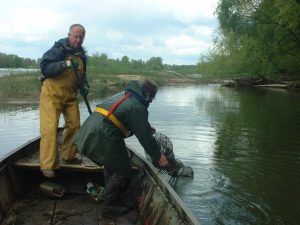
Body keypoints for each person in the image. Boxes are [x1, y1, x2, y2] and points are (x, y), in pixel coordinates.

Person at [72, 79, 168, 217]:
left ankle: (111, 197)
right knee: (123, 170)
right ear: (147, 95)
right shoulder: (137, 106)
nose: (152, 101)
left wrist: (145, 128)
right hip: (103, 134)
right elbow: (145, 139)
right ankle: (108, 207)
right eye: (152, 97)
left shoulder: (124, 94)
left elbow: (125, 117)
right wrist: (158, 155)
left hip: (91, 129)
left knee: (111, 164)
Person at [39, 24, 89, 178]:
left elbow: (83, 74)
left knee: (74, 125)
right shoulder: (58, 50)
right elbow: (45, 67)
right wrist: (65, 64)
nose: (78, 40)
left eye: (81, 37)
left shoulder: (82, 55)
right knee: (49, 128)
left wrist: (85, 85)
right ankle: (48, 165)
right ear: (69, 35)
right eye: (75, 36)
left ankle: (69, 155)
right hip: (51, 95)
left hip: (70, 96)